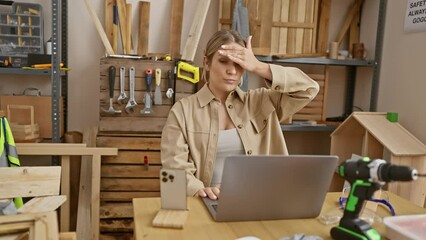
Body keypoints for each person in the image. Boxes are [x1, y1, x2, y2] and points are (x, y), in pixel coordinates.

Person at [161, 29, 319, 200]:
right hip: (206, 205)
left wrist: (258, 66)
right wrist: (200, 191)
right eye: (223, 61)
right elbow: (173, 170)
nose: (232, 71)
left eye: (239, 63)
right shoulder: (182, 111)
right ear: (206, 62)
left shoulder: (261, 102)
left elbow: (309, 89)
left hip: (262, 202)